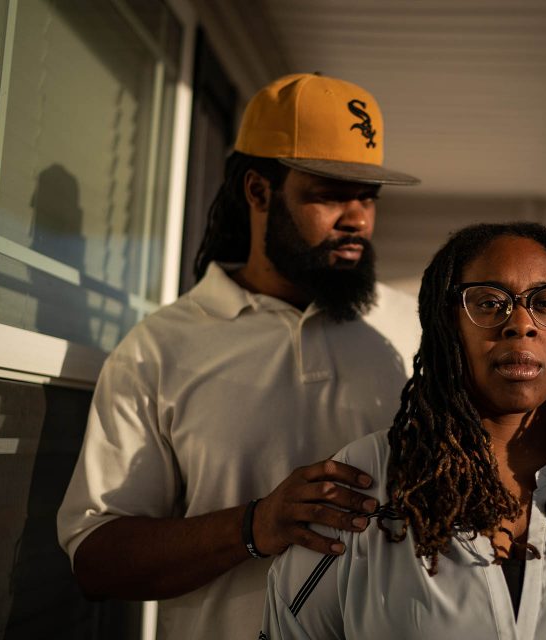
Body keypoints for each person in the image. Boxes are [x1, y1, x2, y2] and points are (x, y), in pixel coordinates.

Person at [57, 73, 424, 638]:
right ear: (258, 191)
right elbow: (96, 559)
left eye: (368, 197)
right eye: (329, 194)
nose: (358, 219)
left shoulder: (416, 331)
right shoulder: (158, 350)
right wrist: (255, 525)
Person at [263, 222, 546, 639]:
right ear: (449, 324)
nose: (520, 324)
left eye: (545, 302)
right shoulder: (362, 485)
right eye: (488, 302)